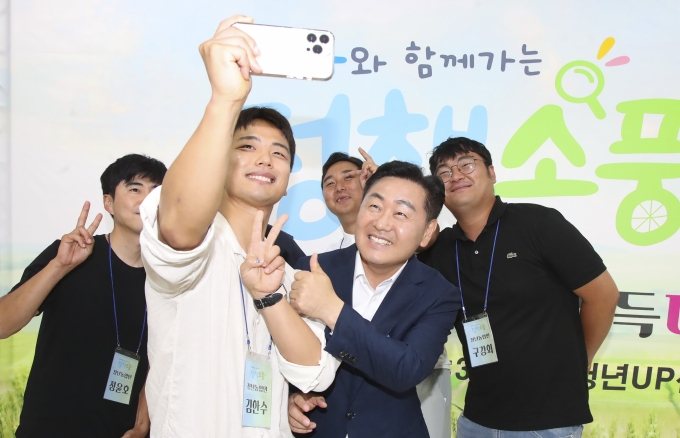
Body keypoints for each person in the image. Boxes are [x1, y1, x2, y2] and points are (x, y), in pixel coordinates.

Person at [138, 15, 336, 437]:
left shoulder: (291, 274)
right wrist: (225, 101)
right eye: (247, 146)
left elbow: (314, 372)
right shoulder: (194, 245)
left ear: (288, 180)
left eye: (279, 153)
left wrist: (269, 297)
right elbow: (178, 230)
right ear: (218, 161)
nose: (265, 159)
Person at [417, 137, 620, 436]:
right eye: (444, 172)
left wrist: (580, 359)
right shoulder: (440, 249)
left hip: (548, 423)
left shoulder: (538, 223)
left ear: (491, 173)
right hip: (477, 421)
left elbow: (603, 296)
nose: (456, 175)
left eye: (466, 165)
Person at [286, 161, 460, 438]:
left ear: (427, 232)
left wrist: (332, 310)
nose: (381, 223)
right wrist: (290, 397)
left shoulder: (437, 293)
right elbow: (281, 349)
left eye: (401, 213)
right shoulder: (312, 269)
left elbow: (407, 368)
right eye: (375, 206)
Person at [0, 154, 167, 437]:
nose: (147, 200)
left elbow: (161, 357)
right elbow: (3, 324)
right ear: (108, 203)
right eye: (135, 189)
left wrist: (142, 423)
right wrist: (59, 266)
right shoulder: (70, 254)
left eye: (156, 192)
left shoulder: (169, 275)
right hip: (48, 429)